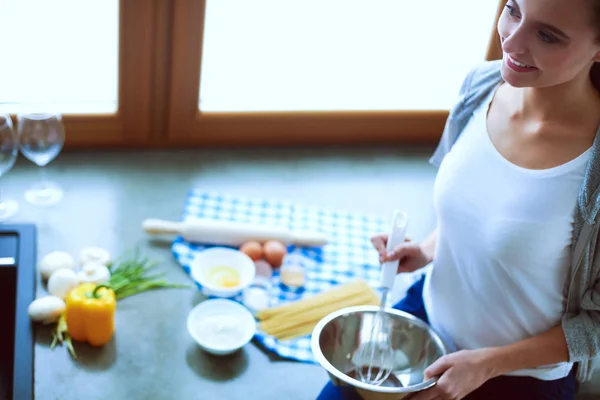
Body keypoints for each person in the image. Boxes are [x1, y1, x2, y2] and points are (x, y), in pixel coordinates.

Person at [317, 0, 600, 398]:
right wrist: (428, 249)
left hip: (519, 377)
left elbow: (596, 325)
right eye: (514, 10)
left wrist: (487, 363)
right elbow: (476, 211)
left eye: (547, 35)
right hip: (424, 325)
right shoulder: (481, 87)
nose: (512, 42)